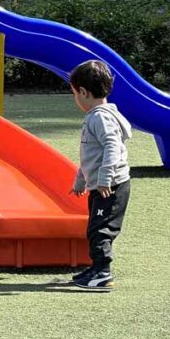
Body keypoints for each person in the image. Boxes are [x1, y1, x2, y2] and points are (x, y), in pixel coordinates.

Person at [66, 59, 131, 291]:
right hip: (101, 185)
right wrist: (81, 181)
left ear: (83, 92)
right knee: (95, 227)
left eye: (75, 93)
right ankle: (96, 268)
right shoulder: (100, 115)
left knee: (100, 230)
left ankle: (103, 272)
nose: (75, 99)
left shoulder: (99, 117)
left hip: (110, 186)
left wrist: (104, 179)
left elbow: (112, 147)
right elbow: (90, 155)